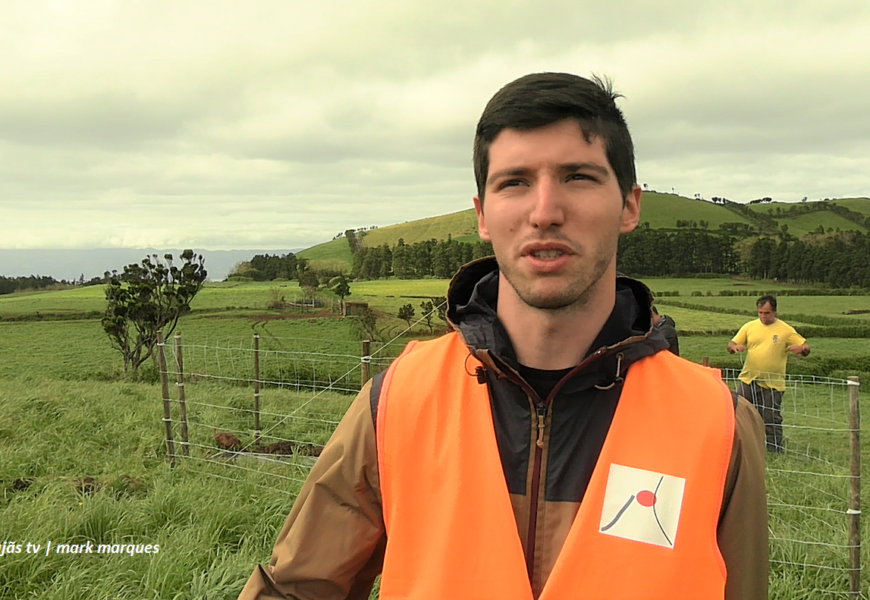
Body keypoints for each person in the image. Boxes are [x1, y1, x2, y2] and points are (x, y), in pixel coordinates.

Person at [239, 73, 768, 600]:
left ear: (629, 206)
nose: (544, 212)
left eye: (578, 176)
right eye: (514, 182)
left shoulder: (716, 422)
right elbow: (296, 590)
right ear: (483, 216)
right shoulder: (397, 402)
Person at [728, 295, 810, 453]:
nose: (763, 317)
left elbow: (805, 347)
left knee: (770, 417)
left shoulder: (785, 330)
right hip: (748, 379)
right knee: (739, 412)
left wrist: (802, 350)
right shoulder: (749, 327)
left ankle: (774, 450)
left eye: (767, 313)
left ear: (775, 312)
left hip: (773, 383)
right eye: (760, 313)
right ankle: (740, 447)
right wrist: (734, 347)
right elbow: (731, 344)